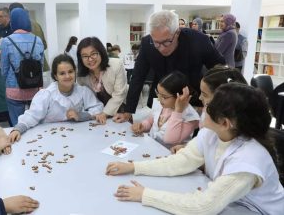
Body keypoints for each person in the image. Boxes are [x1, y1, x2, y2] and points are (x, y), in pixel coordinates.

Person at [106, 83, 284, 215]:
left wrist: (145, 194)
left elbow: (203, 207)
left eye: (208, 104)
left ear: (225, 122)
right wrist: (134, 167)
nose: (201, 103)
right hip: (233, 203)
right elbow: (181, 162)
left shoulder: (248, 159)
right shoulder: (211, 133)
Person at [113, 10, 225, 123]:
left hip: (192, 98)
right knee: (159, 132)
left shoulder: (198, 40)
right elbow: (138, 76)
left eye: (166, 42)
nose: (161, 48)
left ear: (177, 32)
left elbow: (220, 68)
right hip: (162, 99)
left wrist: (213, 102)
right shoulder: (147, 43)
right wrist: (128, 111)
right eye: (156, 42)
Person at [9, 54, 103, 142]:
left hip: (77, 136)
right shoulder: (46, 95)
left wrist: (80, 115)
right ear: (55, 76)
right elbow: (32, 116)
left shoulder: (83, 91)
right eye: (62, 73)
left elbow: (98, 107)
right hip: (49, 137)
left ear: (75, 71)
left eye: (70, 71)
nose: (67, 76)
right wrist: (18, 129)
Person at [170, 66, 247, 154]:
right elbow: (206, 143)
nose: (199, 98)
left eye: (205, 95)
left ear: (223, 97)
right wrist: (187, 147)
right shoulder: (208, 114)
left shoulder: (236, 140)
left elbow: (215, 156)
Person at [131, 71, 199, 147]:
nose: (159, 99)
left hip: (169, 154)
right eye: (158, 93)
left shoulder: (190, 117)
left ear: (180, 96)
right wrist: (143, 126)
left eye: (164, 97)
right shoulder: (162, 104)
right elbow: (151, 122)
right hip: (151, 146)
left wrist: (178, 111)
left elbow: (169, 139)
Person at [0, 8, 44, 126]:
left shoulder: (6, 41)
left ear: (12, 22)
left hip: (14, 89)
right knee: (35, 121)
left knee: (16, 123)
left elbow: (4, 68)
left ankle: (19, 143)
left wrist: (6, 84)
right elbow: (41, 65)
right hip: (34, 87)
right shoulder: (37, 40)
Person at [77, 37, 128, 124]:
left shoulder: (116, 65)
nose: (90, 59)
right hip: (96, 114)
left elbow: (119, 94)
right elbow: (85, 97)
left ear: (101, 53)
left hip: (120, 110)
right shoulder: (81, 75)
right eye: (85, 56)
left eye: (93, 54)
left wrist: (104, 113)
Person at [8, 2, 50, 71]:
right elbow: (44, 46)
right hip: (41, 66)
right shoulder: (37, 24)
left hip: (26, 71)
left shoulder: (17, 28)